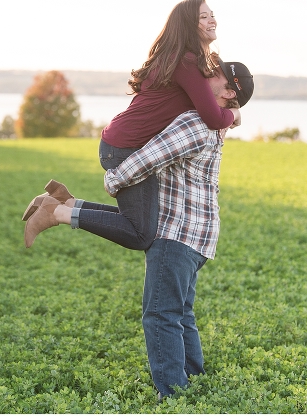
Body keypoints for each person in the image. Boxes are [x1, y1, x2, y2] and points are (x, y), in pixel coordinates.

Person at [26, 61, 255, 401]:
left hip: (175, 234)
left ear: (229, 93)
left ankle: (173, 395)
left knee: (161, 315)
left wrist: (113, 179)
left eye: (218, 73)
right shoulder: (214, 124)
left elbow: (149, 158)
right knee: (181, 312)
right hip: (200, 235)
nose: (208, 73)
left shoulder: (195, 122)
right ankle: (194, 378)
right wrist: (234, 115)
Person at [23, 0, 239, 251]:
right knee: (140, 233)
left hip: (119, 142)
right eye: (203, 16)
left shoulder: (179, 59)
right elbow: (213, 118)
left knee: (141, 221)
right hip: (126, 146)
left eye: (212, 14)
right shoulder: (186, 61)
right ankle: (57, 212)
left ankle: (65, 203)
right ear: (187, 25)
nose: (212, 20)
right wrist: (234, 114)